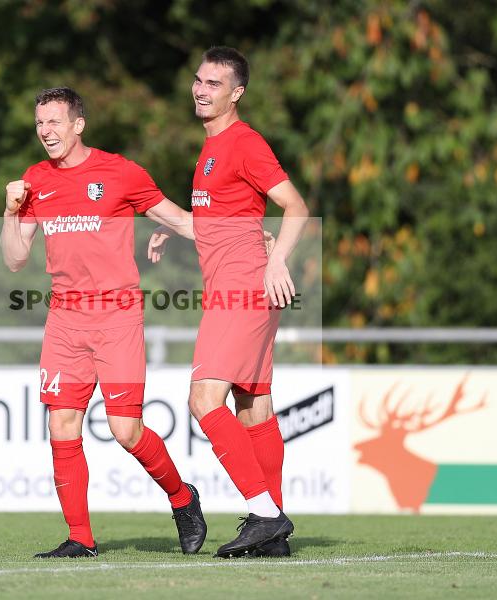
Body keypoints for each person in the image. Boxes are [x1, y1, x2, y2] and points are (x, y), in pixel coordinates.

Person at [0, 87, 206, 558]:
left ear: (78, 124)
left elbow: (181, 220)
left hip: (116, 316)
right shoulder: (35, 180)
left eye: (54, 122)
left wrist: (246, 232)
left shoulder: (119, 172)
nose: (45, 131)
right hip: (65, 319)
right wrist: (12, 212)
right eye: (39, 124)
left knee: (125, 430)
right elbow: (14, 259)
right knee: (62, 425)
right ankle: (81, 539)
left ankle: (182, 497)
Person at [149, 47, 309, 558]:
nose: (201, 90)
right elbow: (221, 222)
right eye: (198, 80)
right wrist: (174, 231)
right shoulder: (210, 149)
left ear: (236, 93)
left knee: (203, 400)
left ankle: (265, 515)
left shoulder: (242, 142)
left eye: (214, 84)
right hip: (236, 282)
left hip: (245, 284)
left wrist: (277, 259)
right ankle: (273, 533)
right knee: (253, 406)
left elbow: (296, 207)